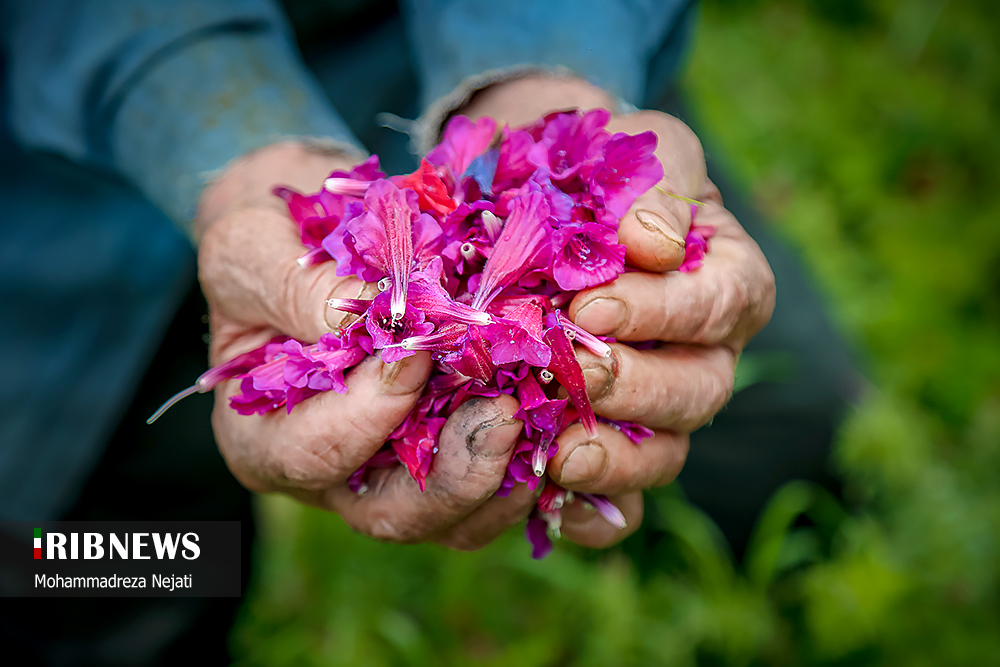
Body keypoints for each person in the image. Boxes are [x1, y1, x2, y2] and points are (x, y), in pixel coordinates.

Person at [0, 0, 852, 662]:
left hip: (447, 58)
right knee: (101, 570)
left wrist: (549, 83)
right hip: (78, 187)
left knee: (784, 417)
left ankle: (746, 619)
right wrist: (225, 146)